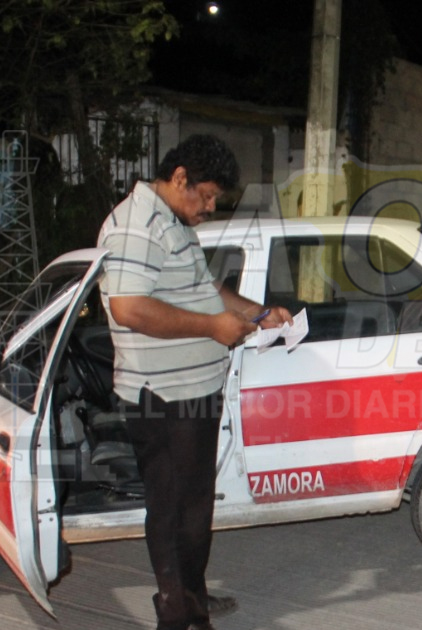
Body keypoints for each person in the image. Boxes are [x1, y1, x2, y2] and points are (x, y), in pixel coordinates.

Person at [97, 134, 292, 630]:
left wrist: (259, 313)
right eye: (204, 195)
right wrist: (213, 328)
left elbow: (206, 292)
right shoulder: (135, 225)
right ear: (179, 176)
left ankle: (192, 598)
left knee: (194, 507)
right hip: (163, 398)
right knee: (174, 508)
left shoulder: (174, 224)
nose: (208, 208)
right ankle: (178, 614)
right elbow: (130, 308)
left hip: (193, 392)